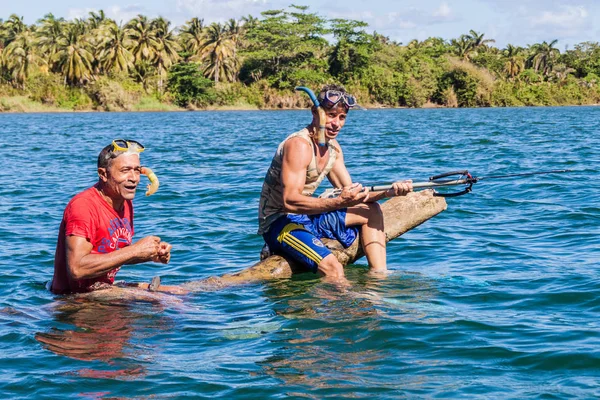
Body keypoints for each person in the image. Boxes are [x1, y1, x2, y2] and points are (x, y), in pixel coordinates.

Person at [258, 84, 413, 279]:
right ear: (315, 112)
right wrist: (339, 202)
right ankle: (343, 306)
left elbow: (352, 193)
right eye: (331, 115)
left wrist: (390, 191)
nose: (336, 123)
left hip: (308, 217)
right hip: (280, 222)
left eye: (342, 117)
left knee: (371, 210)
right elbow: (290, 201)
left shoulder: (333, 149)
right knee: (334, 269)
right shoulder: (299, 145)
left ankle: (378, 278)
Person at [51, 139, 179, 294]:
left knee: (182, 292)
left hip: (104, 289)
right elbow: (77, 268)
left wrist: (150, 254)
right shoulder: (83, 206)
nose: (134, 178)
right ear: (103, 174)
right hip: (76, 299)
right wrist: (135, 250)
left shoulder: (124, 203)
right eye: (125, 170)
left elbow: (113, 254)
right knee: (171, 303)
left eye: (137, 170)